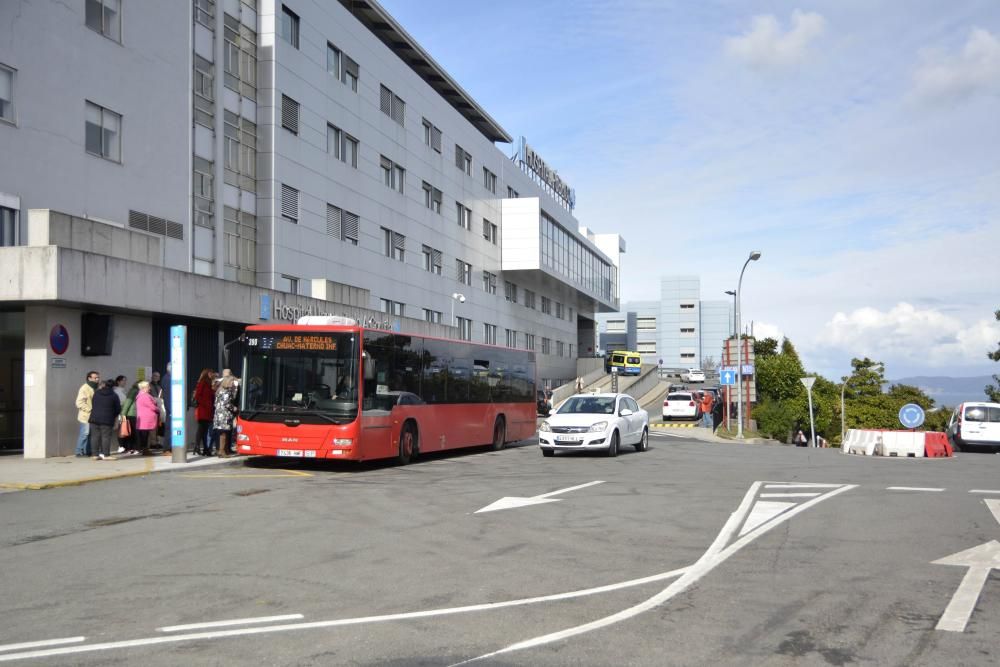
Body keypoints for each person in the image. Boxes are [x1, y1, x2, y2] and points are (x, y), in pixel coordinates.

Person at [89, 380, 121, 460]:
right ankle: (106, 455)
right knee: (106, 437)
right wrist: (114, 417)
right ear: (113, 387)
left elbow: (93, 403)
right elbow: (118, 409)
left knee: (95, 436)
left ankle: (95, 455)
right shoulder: (114, 395)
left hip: (94, 418)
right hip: (107, 419)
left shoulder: (97, 393)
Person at [74, 370, 100, 457]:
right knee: (85, 434)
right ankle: (79, 452)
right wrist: (90, 409)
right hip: (86, 416)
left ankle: (87, 451)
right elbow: (79, 403)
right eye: (95, 377)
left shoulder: (96, 387)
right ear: (89, 378)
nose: (97, 379)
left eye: (98, 377)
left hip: (93, 416)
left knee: (90, 434)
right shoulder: (84, 388)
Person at [213, 375, 239, 458]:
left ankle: (222, 450)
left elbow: (216, 403)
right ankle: (222, 451)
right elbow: (227, 404)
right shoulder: (227, 392)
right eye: (232, 382)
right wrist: (234, 408)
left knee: (222, 433)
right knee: (224, 433)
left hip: (218, 414)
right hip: (224, 415)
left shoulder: (219, 391)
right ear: (228, 382)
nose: (233, 384)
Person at [192, 368, 217, 455]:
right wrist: (205, 404)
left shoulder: (209, 384)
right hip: (203, 410)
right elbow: (197, 396)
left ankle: (204, 448)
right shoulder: (202, 383)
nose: (212, 374)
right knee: (201, 429)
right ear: (207, 373)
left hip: (207, 410)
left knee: (204, 430)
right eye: (211, 373)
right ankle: (198, 447)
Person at [134, 381, 160, 455]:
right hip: (146, 418)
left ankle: (145, 449)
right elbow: (152, 406)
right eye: (148, 386)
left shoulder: (141, 395)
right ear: (144, 388)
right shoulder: (144, 396)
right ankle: (145, 450)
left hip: (143, 418)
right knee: (145, 435)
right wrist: (158, 409)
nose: (149, 388)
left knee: (145, 435)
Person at [119, 381, 141, 455]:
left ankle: (131, 448)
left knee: (132, 432)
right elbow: (128, 402)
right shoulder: (134, 391)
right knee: (132, 432)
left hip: (133, 413)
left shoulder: (135, 391)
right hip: (131, 414)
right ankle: (132, 448)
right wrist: (123, 414)